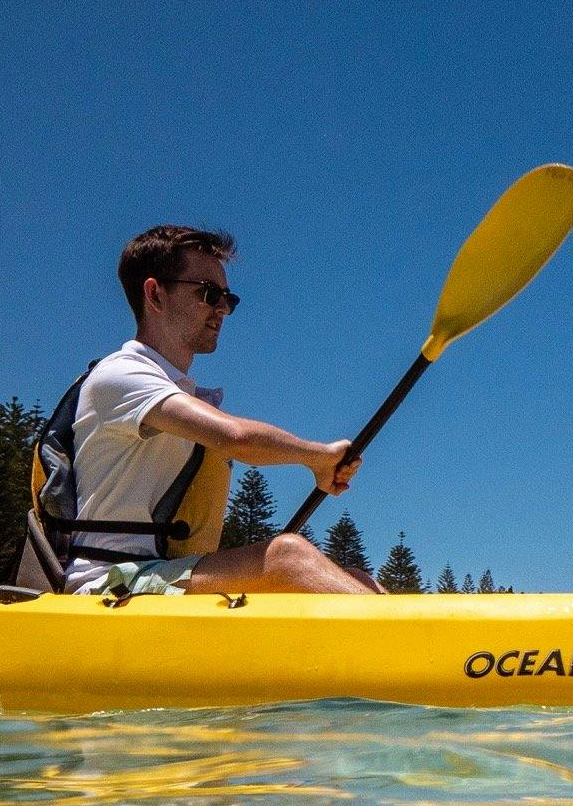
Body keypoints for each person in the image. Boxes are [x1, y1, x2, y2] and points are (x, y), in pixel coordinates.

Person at [26, 224, 379, 595]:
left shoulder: (171, 387)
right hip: (106, 583)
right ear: (155, 294)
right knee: (286, 557)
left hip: (158, 575)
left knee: (357, 578)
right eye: (209, 294)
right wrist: (319, 457)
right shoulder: (121, 374)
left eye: (228, 298)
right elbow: (235, 438)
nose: (223, 309)